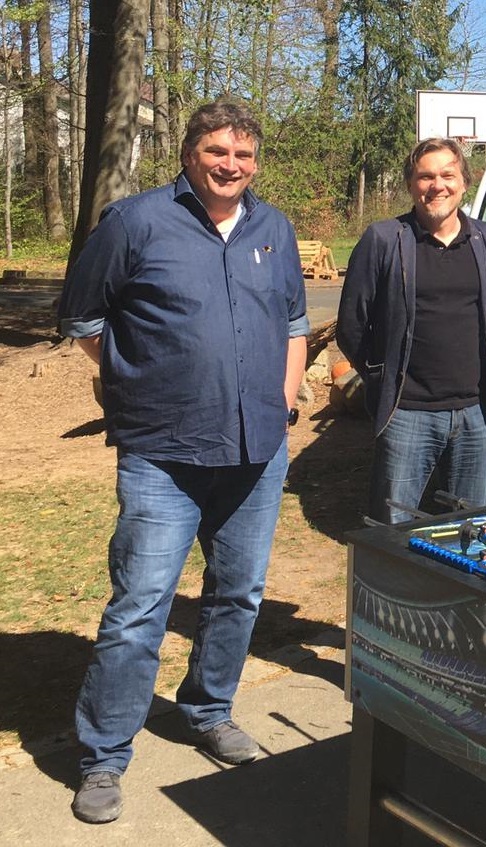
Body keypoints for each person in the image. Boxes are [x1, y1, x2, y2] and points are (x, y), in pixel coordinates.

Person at [56, 100, 309, 824]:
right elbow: (82, 317)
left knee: (239, 593)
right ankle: (104, 754)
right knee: (140, 606)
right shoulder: (134, 222)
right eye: (217, 151)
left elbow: (294, 321)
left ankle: (208, 710)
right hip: (162, 453)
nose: (231, 165)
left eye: (243, 153)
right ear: (189, 152)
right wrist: (137, 378)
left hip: (256, 450)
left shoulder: (273, 227)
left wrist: (283, 400)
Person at [337, 137, 486, 523]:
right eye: (425, 176)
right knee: (393, 530)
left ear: (464, 182)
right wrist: (381, 376)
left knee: (468, 529)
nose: (437, 186)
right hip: (407, 414)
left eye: (447, 175)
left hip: (476, 414)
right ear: (411, 185)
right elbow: (351, 326)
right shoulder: (384, 239)